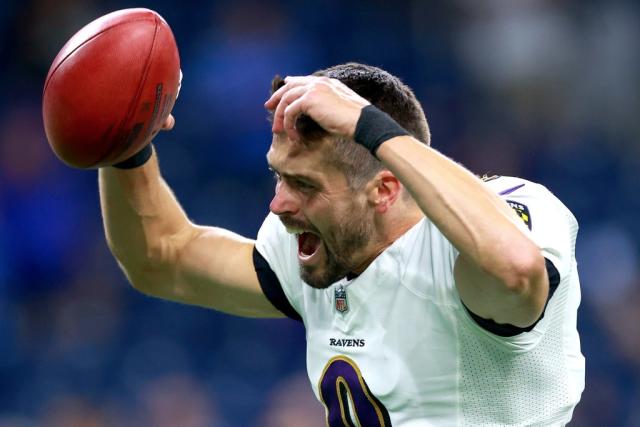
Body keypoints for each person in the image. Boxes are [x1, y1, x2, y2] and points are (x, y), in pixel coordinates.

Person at [100, 63, 584, 426]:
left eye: (305, 185)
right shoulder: (322, 245)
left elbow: (516, 269)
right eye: (279, 177)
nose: (278, 205)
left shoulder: (501, 213)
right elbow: (161, 259)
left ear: (385, 190)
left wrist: (367, 125)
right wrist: (126, 146)